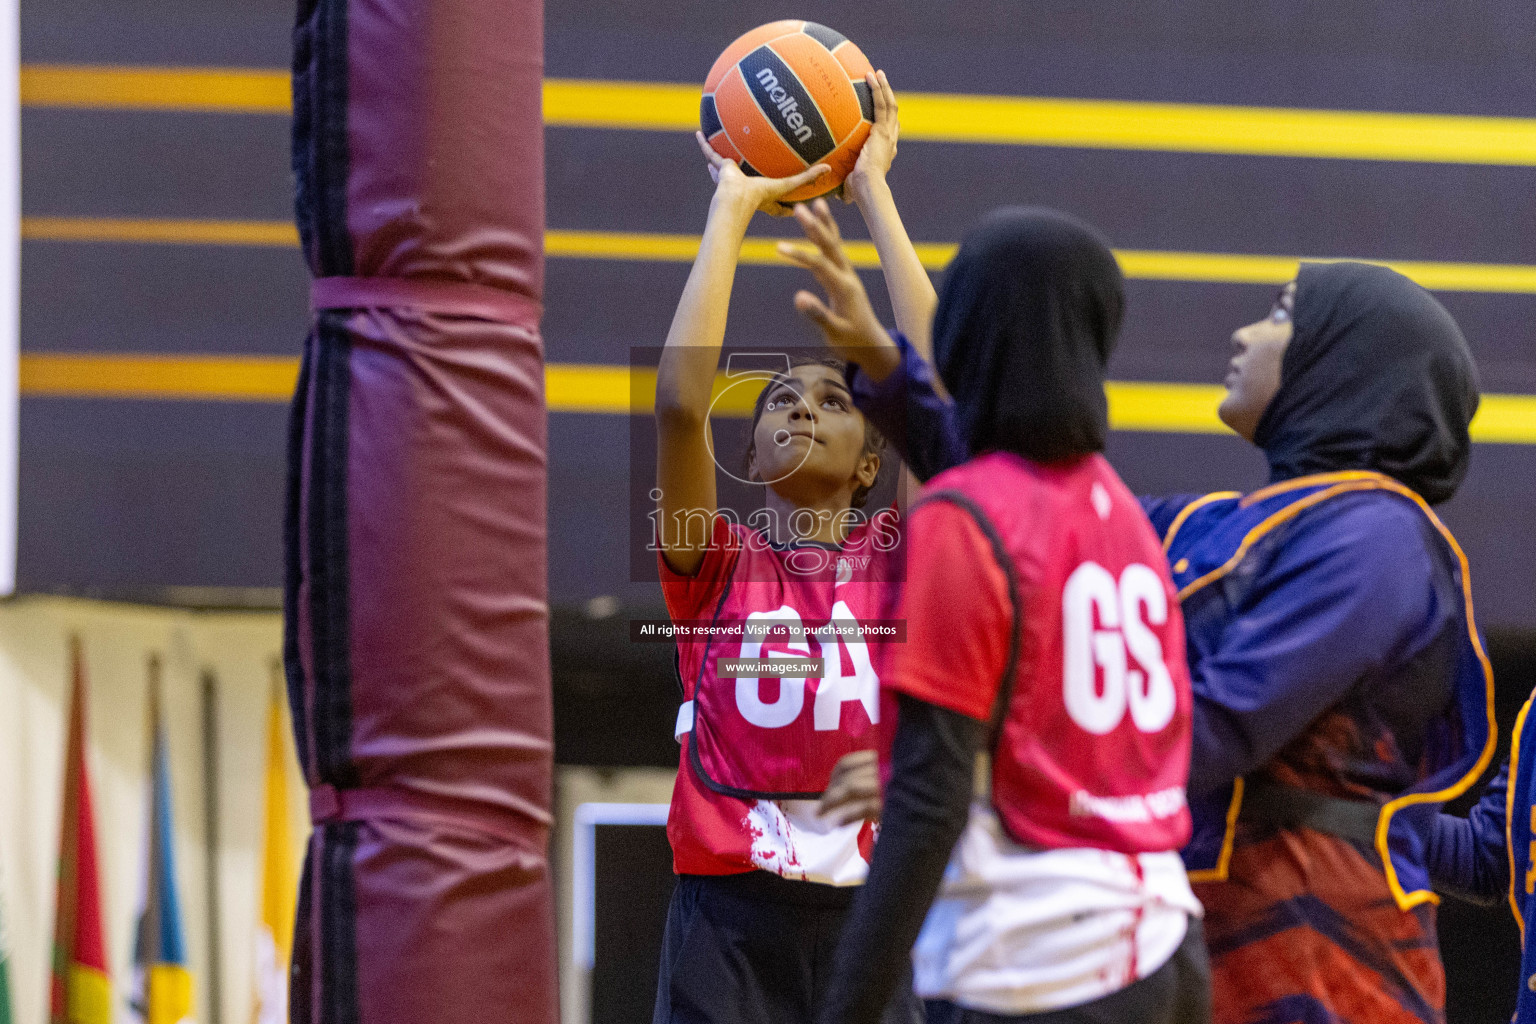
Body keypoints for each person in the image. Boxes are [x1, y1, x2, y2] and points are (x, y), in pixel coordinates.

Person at [818, 255, 1496, 1024]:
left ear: (1344, 365)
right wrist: (885, 368)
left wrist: (964, 768)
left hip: (1323, 971)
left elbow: (1217, 726)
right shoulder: (1224, 521)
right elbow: (1027, 513)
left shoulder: (1380, 539)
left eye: (1279, 315)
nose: (1244, 334)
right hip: (1200, 945)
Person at [782, 202, 1210, 1024]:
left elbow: (927, 799)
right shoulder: (1120, 515)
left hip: (1041, 958)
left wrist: (848, 1007)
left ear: (969, 334)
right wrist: (879, 357)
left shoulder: (962, 518)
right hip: (1161, 943)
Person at [651, 72, 932, 1024]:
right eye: (781, 399)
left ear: (870, 466)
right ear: (751, 455)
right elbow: (681, 403)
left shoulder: (908, 557)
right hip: (725, 916)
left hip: (872, 916)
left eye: (834, 400)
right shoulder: (714, 566)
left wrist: (873, 190)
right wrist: (731, 202)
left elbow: (937, 385)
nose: (803, 405)